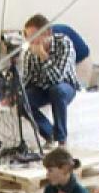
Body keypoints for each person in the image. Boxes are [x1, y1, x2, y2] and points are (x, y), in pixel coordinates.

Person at [20, 14, 80, 142]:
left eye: (34, 36)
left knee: (57, 90)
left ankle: (61, 138)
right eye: (28, 37)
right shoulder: (29, 51)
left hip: (64, 85)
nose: (31, 41)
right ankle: (49, 133)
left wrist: (43, 55)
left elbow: (57, 78)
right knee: (22, 100)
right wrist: (16, 92)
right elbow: (27, 78)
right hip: (42, 87)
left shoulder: (64, 43)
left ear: (47, 33)